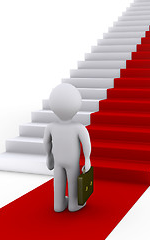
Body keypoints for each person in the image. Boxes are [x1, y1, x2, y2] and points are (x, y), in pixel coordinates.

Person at [43, 83, 91, 212]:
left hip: (58, 161)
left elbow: (46, 143)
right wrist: (87, 159)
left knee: (58, 182)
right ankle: (74, 205)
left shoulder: (51, 127)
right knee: (73, 181)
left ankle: (58, 205)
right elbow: (86, 144)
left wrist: (49, 156)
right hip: (72, 163)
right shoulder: (79, 127)